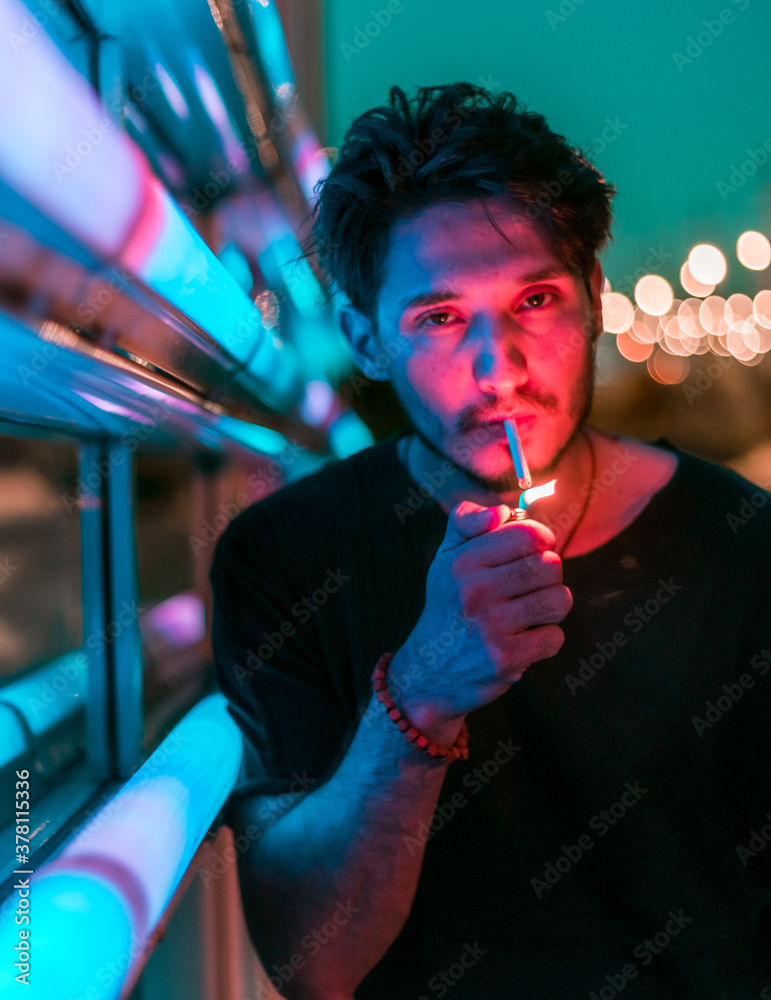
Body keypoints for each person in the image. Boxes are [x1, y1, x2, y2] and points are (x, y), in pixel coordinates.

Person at [209, 82, 771, 999]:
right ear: (366, 340)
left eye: (535, 299)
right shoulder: (283, 559)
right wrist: (426, 691)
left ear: (592, 298)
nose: (499, 367)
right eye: (437, 317)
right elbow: (314, 963)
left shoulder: (741, 545)